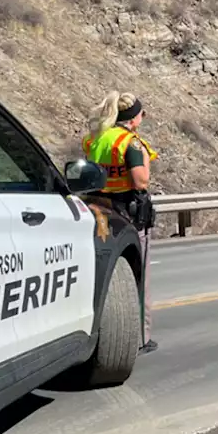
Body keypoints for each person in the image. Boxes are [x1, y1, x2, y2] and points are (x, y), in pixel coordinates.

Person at [80, 91, 160, 354]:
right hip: (128, 211)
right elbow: (140, 181)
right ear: (132, 118)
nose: (142, 117)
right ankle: (139, 337)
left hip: (98, 209)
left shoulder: (95, 140)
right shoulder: (132, 144)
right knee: (137, 277)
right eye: (140, 113)